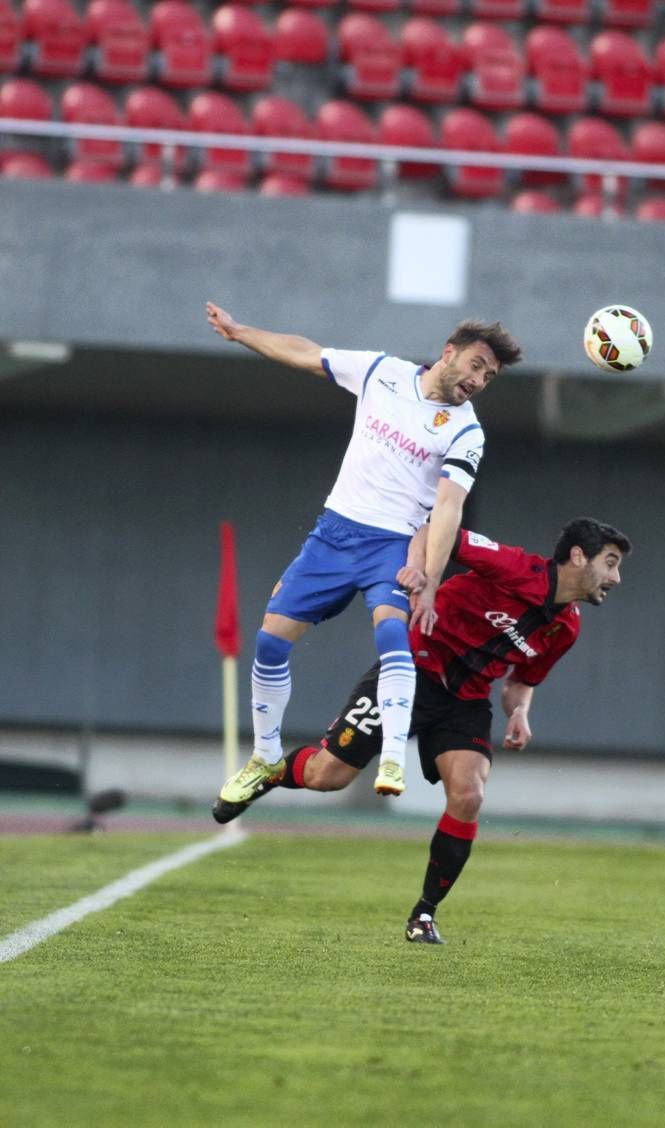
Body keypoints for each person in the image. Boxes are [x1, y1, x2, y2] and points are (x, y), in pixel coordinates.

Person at [213, 516, 632, 944]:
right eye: (611, 563)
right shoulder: (513, 566)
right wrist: (421, 579)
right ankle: (269, 774)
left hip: (465, 699)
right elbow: (435, 530)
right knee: (327, 776)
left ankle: (424, 915)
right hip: (412, 672)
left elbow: (523, 680)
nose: (616, 577)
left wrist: (520, 712)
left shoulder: (567, 628)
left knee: (469, 794)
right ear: (578, 556)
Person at [206, 302, 522, 803]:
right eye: (477, 365)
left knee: (393, 633)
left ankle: (392, 757)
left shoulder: (466, 431)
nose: (481, 380)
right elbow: (307, 354)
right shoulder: (381, 372)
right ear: (449, 353)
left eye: (491, 375)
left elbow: (448, 509)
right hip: (333, 533)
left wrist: (431, 581)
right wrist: (242, 332)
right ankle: (265, 756)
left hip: (393, 543)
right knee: (270, 641)